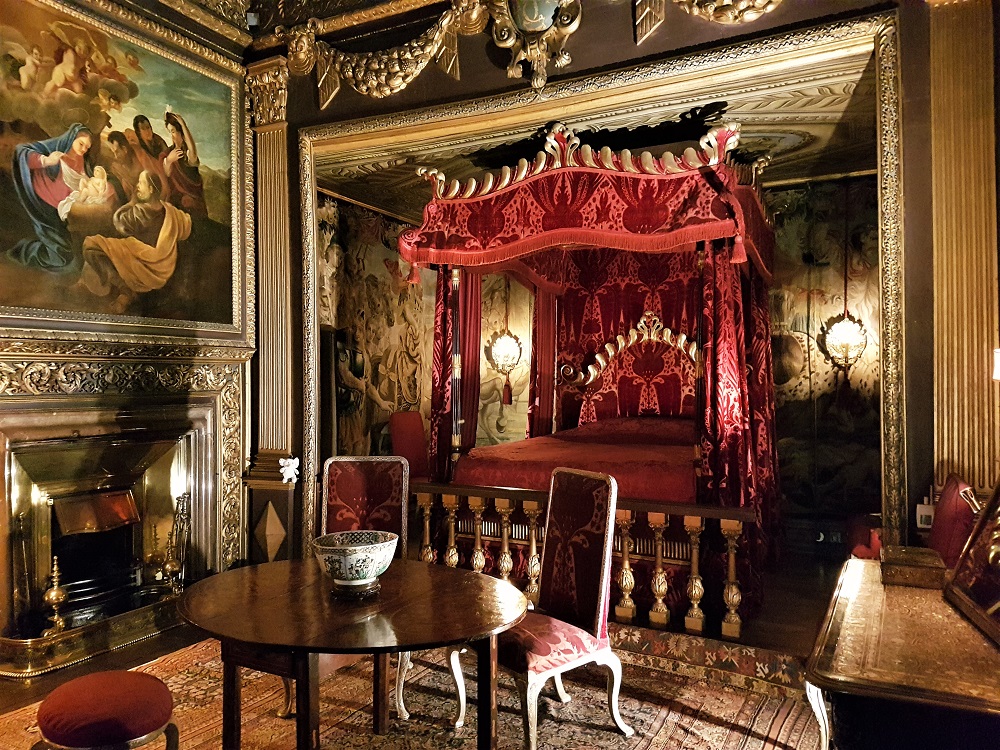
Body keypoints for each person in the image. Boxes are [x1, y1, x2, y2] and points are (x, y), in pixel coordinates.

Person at [77, 170, 191, 313]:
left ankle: (125, 290)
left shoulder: (139, 212)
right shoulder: (171, 212)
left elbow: (118, 222)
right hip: (162, 268)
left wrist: (132, 202)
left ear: (151, 189)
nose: (137, 186)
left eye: (141, 183)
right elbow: (186, 227)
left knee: (91, 245)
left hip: (141, 261)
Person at [9, 123, 97, 269]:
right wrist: (46, 160)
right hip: (44, 206)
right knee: (61, 256)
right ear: (71, 138)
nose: (83, 149)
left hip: (62, 211)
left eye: (87, 147)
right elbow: (21, 151)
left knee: (71, 251)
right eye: (81, 144)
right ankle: (23, 252)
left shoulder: (82, 162)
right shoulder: (57, 148)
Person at [162, 111, 207, 218]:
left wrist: (183, 125)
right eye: (170, 132)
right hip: (175, 202)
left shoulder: (187, 153)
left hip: (193, 203)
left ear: (181, 132)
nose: (172, 136)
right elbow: (166, 174)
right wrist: (169, 160)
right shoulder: (168, 153)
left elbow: (193, 153)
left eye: (173, 131)